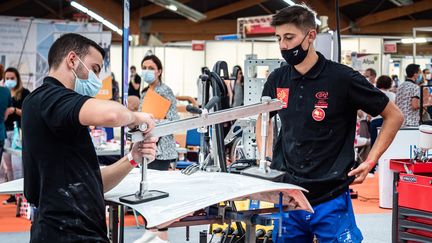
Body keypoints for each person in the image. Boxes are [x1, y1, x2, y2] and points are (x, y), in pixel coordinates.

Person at [257, 5, 404, 242]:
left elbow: (394, 116)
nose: (283, 45)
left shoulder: (342, 78)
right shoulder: (278, 78)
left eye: (289, 37)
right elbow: (264, 118)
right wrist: (264, 160)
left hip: (330, 195)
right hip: (289, 194)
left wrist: (370, 161)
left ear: (311, 36)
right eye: (278, 38)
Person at [22, 33, 158, 243]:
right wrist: (136, 117)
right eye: (94, 69)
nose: (96, 79)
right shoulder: (49, 98)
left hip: (72, 230)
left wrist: (133, 157)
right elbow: (114, 114)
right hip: (67, 234)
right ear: (72, 59)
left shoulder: (57, 114)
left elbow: (89, 183)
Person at [139, 55, 180, 171]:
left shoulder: (165, 91)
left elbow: (174, 120)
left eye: (151, 68)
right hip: (145, 147)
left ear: (159, 71)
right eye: (144, 67)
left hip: (161, 150)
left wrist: (151, 122)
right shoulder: (144, 92)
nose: (147, 71)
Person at [1, 67, 30, 204]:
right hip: (6, 132)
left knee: (18, 164)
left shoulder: (24, 93)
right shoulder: (4, 92)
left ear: (17, 78)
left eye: (12, 78)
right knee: (8, 165)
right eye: (7, 78)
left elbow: (29, 112)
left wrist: (14, 110)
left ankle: (21, 194)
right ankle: (13, 194)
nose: (10, 81)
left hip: (19, 132)